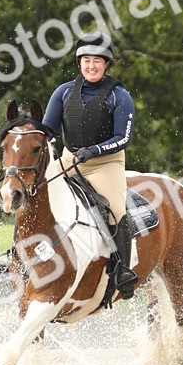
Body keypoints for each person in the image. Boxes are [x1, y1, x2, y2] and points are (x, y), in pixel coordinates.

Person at [42, 31, 138, 297]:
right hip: (69, 159)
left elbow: (123, 137)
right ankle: (17, 253)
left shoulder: (120, 96)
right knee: (34, 192)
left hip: (104, 164)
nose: (91, 65)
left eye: (97, 60)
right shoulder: (62, 92)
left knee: (116, 211)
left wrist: (94, 150)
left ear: (106, 64)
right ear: (79, 62)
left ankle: (122, 271)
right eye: (86, 60)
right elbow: (48, 128)